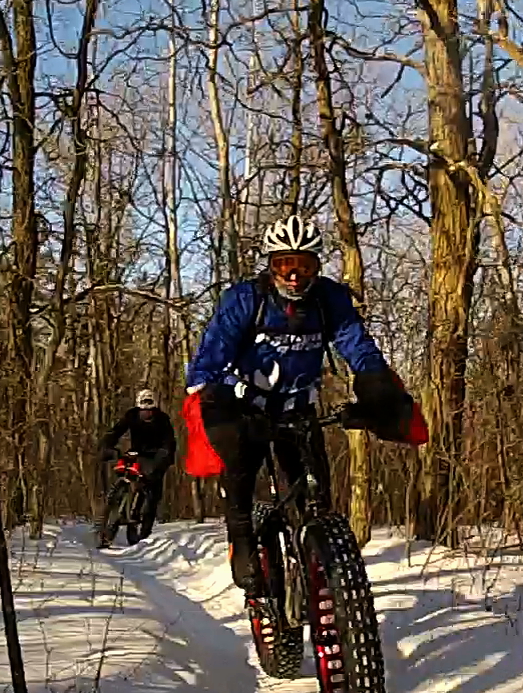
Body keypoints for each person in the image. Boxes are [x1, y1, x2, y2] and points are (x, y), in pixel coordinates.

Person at [181, 214, 425, 606]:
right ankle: (242, 540)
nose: (294, 276)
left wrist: (375, 384)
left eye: (304, 265)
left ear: (317, 267)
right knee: (239, 471)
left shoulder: (329, 300)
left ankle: (316, 566)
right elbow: (209, 359)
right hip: (246, 408)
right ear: (270, 266)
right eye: (284, 264)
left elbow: (356, 344)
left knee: (315, 496)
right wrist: (216, 396)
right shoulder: (245, 299)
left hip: (298, 406)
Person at [99, 388, 178, 544]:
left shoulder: (162, 419)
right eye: (143, 408)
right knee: (122, 473)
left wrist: (163, 458)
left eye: (149, 408)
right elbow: (116, 431)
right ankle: (110, 517)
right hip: (136, 453)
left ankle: (144, 533)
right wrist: (107, 446)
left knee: (152, 493)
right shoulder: (131, 415)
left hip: (156, 456)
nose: (146, 412)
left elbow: (169, 442)